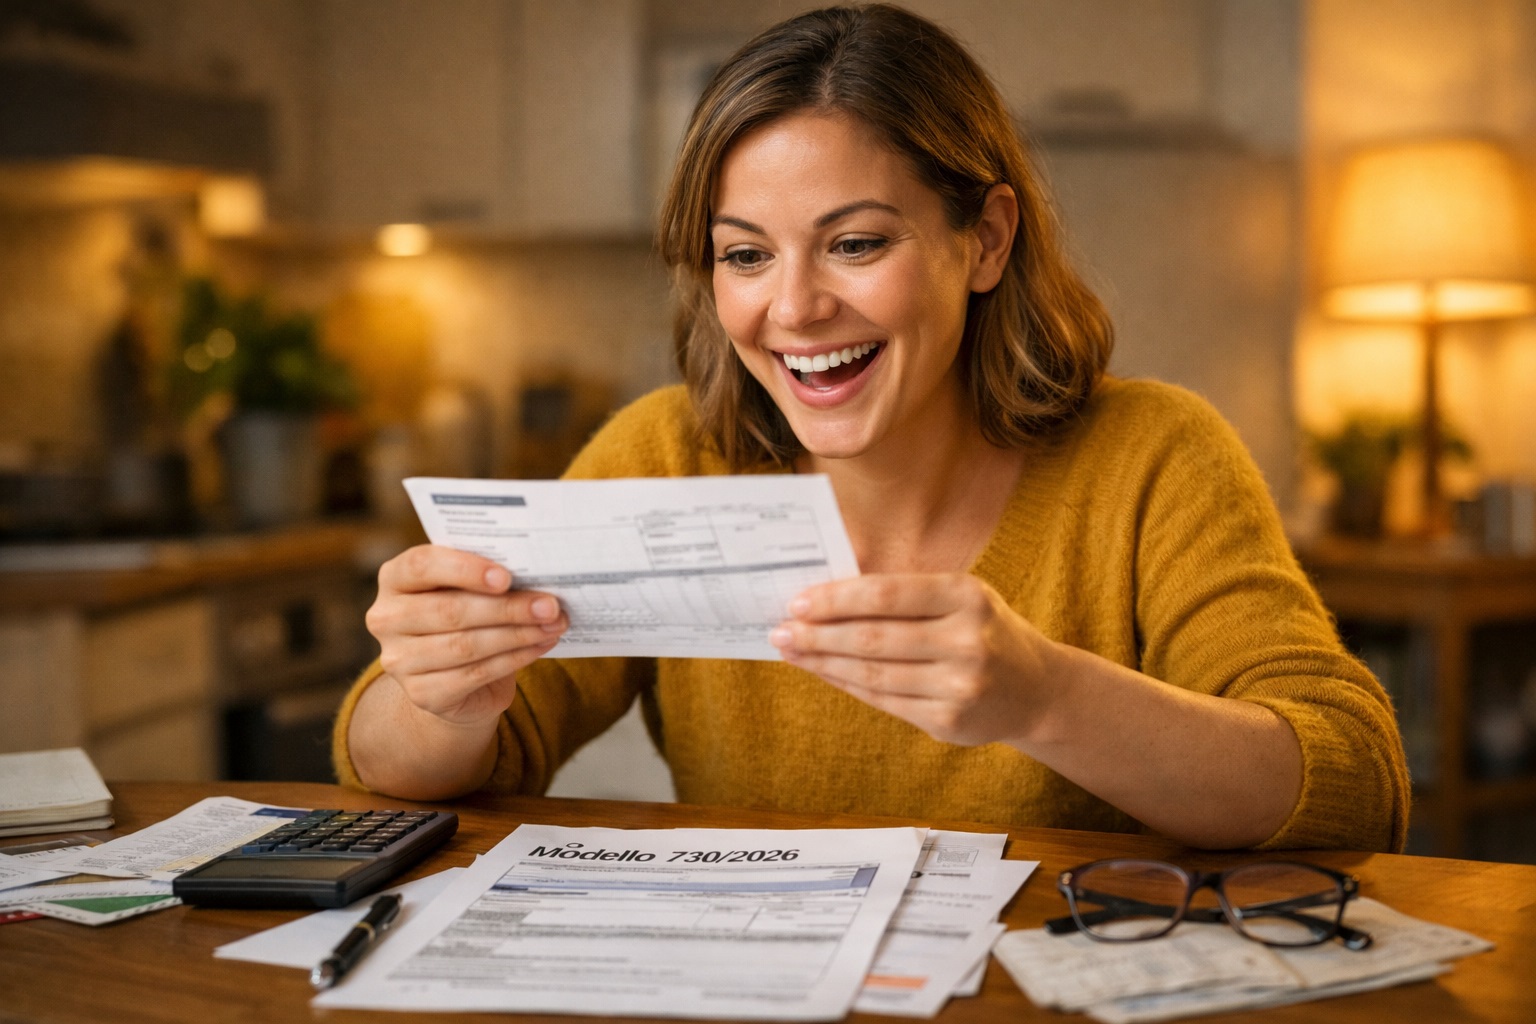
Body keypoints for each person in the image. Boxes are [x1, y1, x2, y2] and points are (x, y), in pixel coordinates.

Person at [336, 3, 1409, 852]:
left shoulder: (1152, 458)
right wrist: (442, 694)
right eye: (745, 254)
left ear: (985, 240)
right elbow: (393, 762)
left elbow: (1353, 785)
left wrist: (1044, 695)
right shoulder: (666, 456)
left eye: (853, 243)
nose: (793, 308)